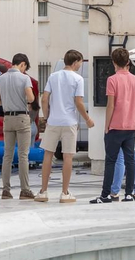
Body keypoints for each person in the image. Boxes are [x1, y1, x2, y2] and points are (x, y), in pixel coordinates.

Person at [37, 51, 93, 203]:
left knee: (48, 155)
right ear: (75, 62)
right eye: (80, 62)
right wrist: (87, 119)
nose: (80, 65)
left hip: (53, 121)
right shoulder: (78, 79)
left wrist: (47, 117)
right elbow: (79, 102)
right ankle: (65, 193)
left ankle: (43, 192)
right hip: (69, 122)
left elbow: (44, 99)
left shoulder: (53, 76)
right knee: (68, 156)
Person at [95, 47, 135, 204]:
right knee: (130, 161)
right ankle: (129, 194)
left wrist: (106, 126)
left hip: (115, 127)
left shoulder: (112, 80)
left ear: (114, 62)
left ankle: (106, 195)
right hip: (131, 127)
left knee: (110, 161)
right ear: (128, 62)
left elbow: (110, 105)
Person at [0, 53, 36, 200]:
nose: (24, 71)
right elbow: (31, 98)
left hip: (7, 118)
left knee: (7, 155)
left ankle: (5, 190)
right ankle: (25, 190)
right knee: (23, 155)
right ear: (22, 64)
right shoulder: (24, 78)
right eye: (25, 68)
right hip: (22, 118)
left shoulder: (0, 79)